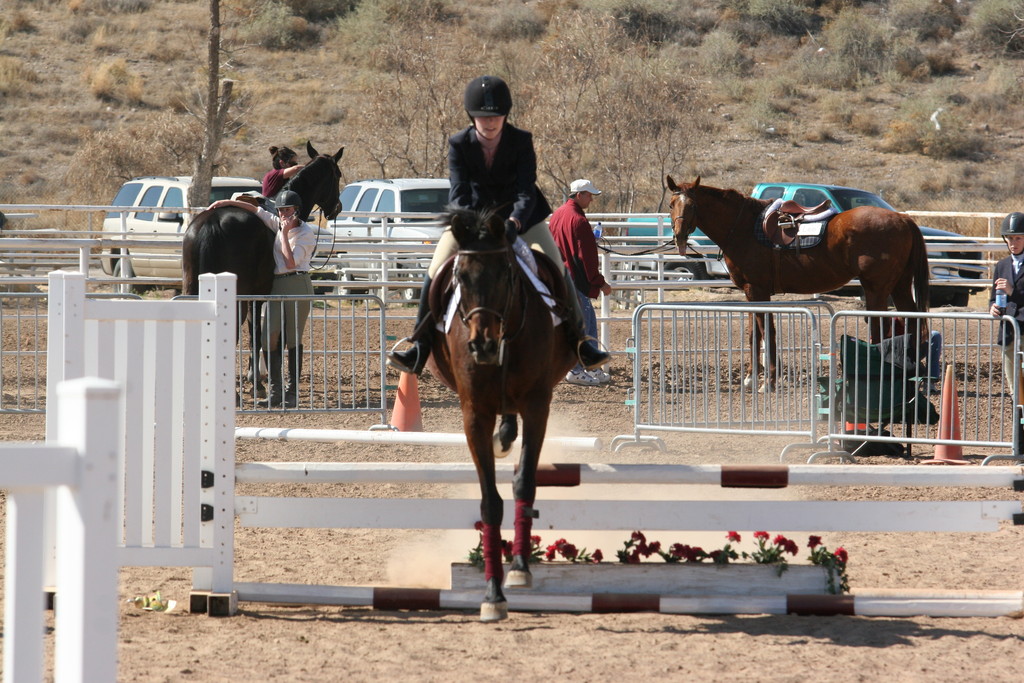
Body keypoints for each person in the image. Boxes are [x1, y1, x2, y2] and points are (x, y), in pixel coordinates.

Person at [386, 75, 610, 375]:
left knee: (557, 265)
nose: (490, 122)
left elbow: (525, 190)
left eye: (496, 116)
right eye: (482, 117)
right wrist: (473, 225)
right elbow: (459, 192)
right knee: (436, 268)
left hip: (523, 217)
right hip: (472, 219)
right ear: (472, 116)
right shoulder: (458, 143)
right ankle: (419, 344)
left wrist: (515, 220)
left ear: (506, 114)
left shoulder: (521, 140)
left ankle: (581, 342)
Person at [209, 190, 317, 407]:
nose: (284, 214)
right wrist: (227, 202)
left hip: (297, 283)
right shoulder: (278, 223)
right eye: (281, 210)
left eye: (288, 209)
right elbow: (257, 210)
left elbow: (290, 263)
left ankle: (292, 391)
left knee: (293, 338)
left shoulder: (306, 233)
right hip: (277, 284)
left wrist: (284, 234)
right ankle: (276, 391)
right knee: (269, 337)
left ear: (297, 210)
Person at [549, 178, 613, 386]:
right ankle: (578, 369)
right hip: (576, 280)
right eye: (589, 195)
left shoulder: (558, 215)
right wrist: (600, 282)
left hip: (560, 277)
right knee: (585, 323)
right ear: (579, 195)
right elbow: (586, 258)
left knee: (581, 323)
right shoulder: (579, 220)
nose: (591, 200)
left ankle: (584, 367)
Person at [990, 211, 1024, 396]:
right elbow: (993, 296)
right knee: (1014, 388)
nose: (1013, 243)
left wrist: (1014, 292)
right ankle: (1017, 425)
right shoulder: (1001, 265)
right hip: (1009, 333)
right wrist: (993, 307)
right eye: (1010, 238)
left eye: (1018, 238)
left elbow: (1012, 292)